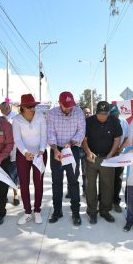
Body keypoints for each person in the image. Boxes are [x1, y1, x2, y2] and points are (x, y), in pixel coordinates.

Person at [47, 91, 86, 226]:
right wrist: (55, 149)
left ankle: (75, 212)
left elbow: (81, 130)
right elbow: (50, 132)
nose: (69, 109)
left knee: (73, 181)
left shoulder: (78, 112)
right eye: (66, 106)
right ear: (59, 104)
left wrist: (72, 143)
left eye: (71, 106)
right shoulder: (51, 114)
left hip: (72, 148)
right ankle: (57, 211)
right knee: (56, 182)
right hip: (56, 149)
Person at [82, 101, 122, 224]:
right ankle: (92, 212)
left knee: (107, 186)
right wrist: (88, 152)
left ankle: (105, 211)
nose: (102, 117)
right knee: (91, 186)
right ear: (96, 112)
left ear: (109, 113)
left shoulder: (114, 121)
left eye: (105, 114)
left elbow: (117, 139)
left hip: (108, 159)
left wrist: (110, 155)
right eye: (100, 114)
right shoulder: (89, 121)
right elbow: (84, 139)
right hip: (91, 159)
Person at [13, 94, 47, 225]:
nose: (32, 108)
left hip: (40, 153)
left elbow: (44, 136)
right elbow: (17, 139)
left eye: (33, 106)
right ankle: (27, 212)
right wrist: (25, 152)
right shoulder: (16, 119)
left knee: (39, 182)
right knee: (24, 183)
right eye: (29, 106)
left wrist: (42, 150)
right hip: (23, 155)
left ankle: (37, 210)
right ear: (23, 108)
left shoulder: (41, 117)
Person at [66, 107, 91, 199]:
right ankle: (71, 191)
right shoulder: (76, 122)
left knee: (86, 173)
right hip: (75, 149)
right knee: (73, 172)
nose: (87, 114)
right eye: (85, 113)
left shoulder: (90, 123)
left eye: (88, 113)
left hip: (86, 150)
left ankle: (85, 191)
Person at [109, 104, 129, 212]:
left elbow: (127, 137)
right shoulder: (105, 122)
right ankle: (104, 201)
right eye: (112, 115)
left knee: (118, 179)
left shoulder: (124, 122)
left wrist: (120, 149)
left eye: (116, 115)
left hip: (120, 155)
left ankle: (116, 201)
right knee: (106, 179)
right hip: (107, 155)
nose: (114, 117)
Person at [0, 101, 20, 206]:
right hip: (4, 149)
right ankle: (5, 195)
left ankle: (16, 194)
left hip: (15, 148)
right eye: (2, 109)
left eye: (5, 108)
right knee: (4, 173)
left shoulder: (16, 117)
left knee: (14, 173)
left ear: (9, 107)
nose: (4, 110)